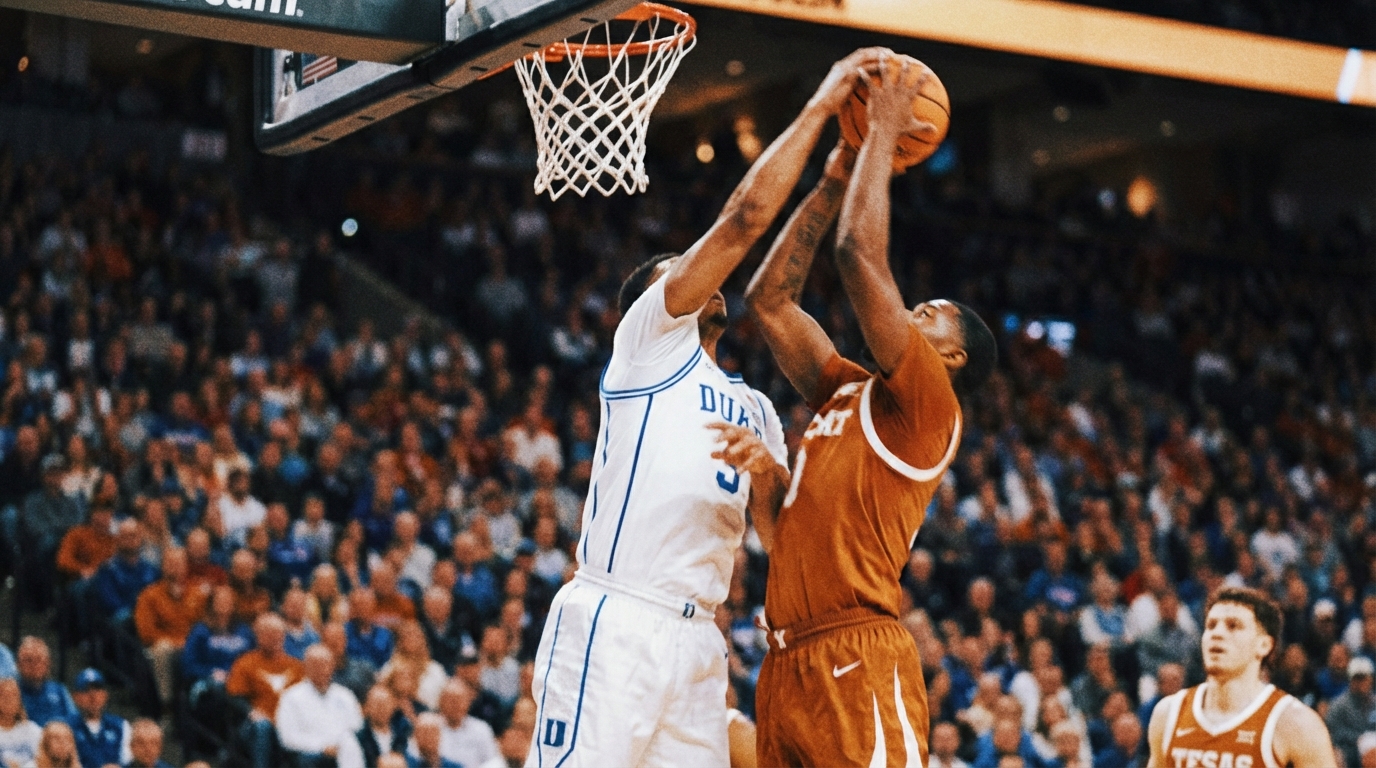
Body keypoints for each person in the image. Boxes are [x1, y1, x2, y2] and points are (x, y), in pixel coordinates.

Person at [524, 42, 877, 768]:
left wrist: (769, 479)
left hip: (698, 640)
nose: (697, 275)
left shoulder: (756, 409)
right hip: (617, 617)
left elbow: (782, 544)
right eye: (676, 271)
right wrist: (820, 105)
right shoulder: (649, 342)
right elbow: (745, 220)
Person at [737, 52, 995, 766]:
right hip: (786, 660)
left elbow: (858, 254)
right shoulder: (849, 392)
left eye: (936, 314)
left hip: (858, 653)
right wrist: (831, 177)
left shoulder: (928, 408)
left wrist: (878, 134)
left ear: (952, 359)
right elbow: (770, 302)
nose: (920, 307)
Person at [1146, 587, 1336, 768]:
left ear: (1264, 645)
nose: (1217, 634)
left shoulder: (1295, 723)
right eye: (1211, 625)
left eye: (1233, 626)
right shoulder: (1168, 713)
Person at [226, 613, 305, 768]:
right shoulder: (245, 663)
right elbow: (234, 696)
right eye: (268, 633)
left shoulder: (296, 666)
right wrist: (250, 711)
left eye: (278, 633)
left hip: (289, 724)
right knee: (263, 726)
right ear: (258, 636)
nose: (274, 638)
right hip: (256, 726)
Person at [133, 547, 207, 709]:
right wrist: (176, 642)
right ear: (163, 566)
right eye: (170, 563)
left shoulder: (198, 594)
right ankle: (167, 705)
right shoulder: (149, 595)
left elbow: (204, 626)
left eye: (179, 563)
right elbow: (146, 633)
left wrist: (188, 643)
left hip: (190, 644)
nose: (175, 567)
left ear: (186, 565)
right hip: (162, 647)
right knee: (163, 649)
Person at [275, 644, 364, 767]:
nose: (322, 669)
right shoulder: (291, 697)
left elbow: (357, 727)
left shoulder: (345, 695)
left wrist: (340, 746)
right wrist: (321, 747)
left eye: (326, 664)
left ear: (333, 666)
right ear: (306, 667)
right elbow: (288, 738)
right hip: (309, 754)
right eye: (316, 665)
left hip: (343, 752)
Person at [67, 668, 132, 768]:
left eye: (97, 689)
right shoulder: (66, 727)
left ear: (105, 695)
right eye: (86, 690)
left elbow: (129, 762)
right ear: (75, 697)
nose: (93, 696)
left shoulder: (120, 726)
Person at [337, 685, 411, 768]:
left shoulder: (403, 736)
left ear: (393, 706)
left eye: (385, 704)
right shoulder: (354, 740)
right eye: (377, 704)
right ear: (367, 707)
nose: (382, 709)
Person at [434, 679, 499, 768]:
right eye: (451, 701)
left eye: (460, 700)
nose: (456, 705)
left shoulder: (482, 729)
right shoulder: (431, 728)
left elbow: (491, 762)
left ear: (468, 703)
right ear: (440, 702)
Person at [1327, 655, 1376, 767]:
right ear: (1350, 679)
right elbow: (1332, 733)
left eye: (1363, 678)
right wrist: (1357, 738)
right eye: (1357, 678)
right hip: (1349, 751)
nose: (1360, 683)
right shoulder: (1338, 705)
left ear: (1370, 679)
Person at [15, 638, 77, 727]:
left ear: (47, 664)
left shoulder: (59, 691)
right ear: (18, 665)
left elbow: (73, 721)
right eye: (28, 660)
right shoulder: (10, 693)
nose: (34, 665)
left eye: (39, 659)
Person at [0, 677, 42, 768]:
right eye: (3, 695)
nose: (9, 700)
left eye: (14, 695)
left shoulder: (32, 730)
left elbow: (44, 760)